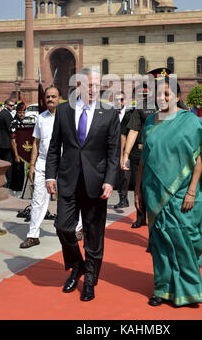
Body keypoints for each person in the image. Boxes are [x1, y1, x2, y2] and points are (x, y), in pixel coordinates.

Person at [135, 76, 202, 307]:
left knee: (186, 241)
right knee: (161, 242)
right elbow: (145, 159)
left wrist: (192, 191)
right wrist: (138, 190)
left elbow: (200, 158)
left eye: (167, 94)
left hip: (182, 194)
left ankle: (189, 290)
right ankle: (161, 289)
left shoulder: (190, 122)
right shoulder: (150, 122)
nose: (162, 98)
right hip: (153, 192)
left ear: (177, 97)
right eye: (158, 95)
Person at [45, 67, 120, 302]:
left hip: (96, 183)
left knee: (93, 234)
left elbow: (113, 152)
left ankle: (89, 279)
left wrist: (109, 181)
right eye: (89, 85)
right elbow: (55, 146)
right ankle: (77, 265)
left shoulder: (108, 113)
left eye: (97, 86)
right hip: (68, 180)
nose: (94, 90)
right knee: (63, 227)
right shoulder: (65, 110)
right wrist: (50, 175)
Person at [19, 86, 62, 249]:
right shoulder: (41, 118)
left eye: (53, 96)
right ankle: (33, 235)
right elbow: (36, 143)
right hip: (43, 163)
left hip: (62, 163)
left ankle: (76, 229)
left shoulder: (65, 117)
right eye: (48, 97)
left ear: (59, 98)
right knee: (37, 200)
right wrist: (32, 166)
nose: (50, 99)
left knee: (68, 198)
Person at [121, 83, 155, 228]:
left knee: (154, 188)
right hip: (139, 152)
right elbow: (131, 132)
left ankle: (156, 217)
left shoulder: (161, 106)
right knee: (138, 185)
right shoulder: (138, 109)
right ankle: (140, 217)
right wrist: (125, 154)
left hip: (157, 153)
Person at [113, 90, 132, 209]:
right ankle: (121, 197)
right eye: (116, 100)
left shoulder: (131, 114)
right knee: (117, 174)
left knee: (125, 172)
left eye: (121, 99)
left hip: (127, 148)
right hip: (113, 148)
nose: (119, 102)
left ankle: (124, 199)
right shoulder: (111, 113)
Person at [0, 98, 15, 189]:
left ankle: (1, 181)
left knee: (1, 163)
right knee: (8, 164)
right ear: (6, 105)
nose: (12, 107)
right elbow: (10, 129)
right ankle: (9, 182)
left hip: (1, 142)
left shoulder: (1, 113)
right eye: (10, 105)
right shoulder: (7, 115)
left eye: (13, 105)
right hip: (7, 143)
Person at [10, 102, 26, 197]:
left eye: (23, 112)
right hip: (16, 151)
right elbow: (13, 141)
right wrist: (16, 156)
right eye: (20, 112)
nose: (22, 114)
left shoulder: (23, 122)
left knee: (21, 172)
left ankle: (19, 189)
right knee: (17, 172)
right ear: (17, 112)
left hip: (22, 151)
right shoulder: (14, 123)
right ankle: (15, 191)